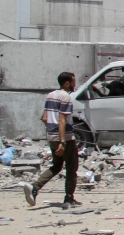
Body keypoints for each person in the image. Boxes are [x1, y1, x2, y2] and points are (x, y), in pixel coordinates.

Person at [24, 72, 81, 208]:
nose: (74, 84)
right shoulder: (66, 97)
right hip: (65, 138)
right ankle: (69, 198)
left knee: (56, 166)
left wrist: (53, 134)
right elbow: (62, 120)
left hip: (52, 137)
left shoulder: (50, 95)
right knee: (72, 167)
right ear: (66, 83)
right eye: (73, 82)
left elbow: (45, 118)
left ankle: (34, 187)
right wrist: (62, 141)